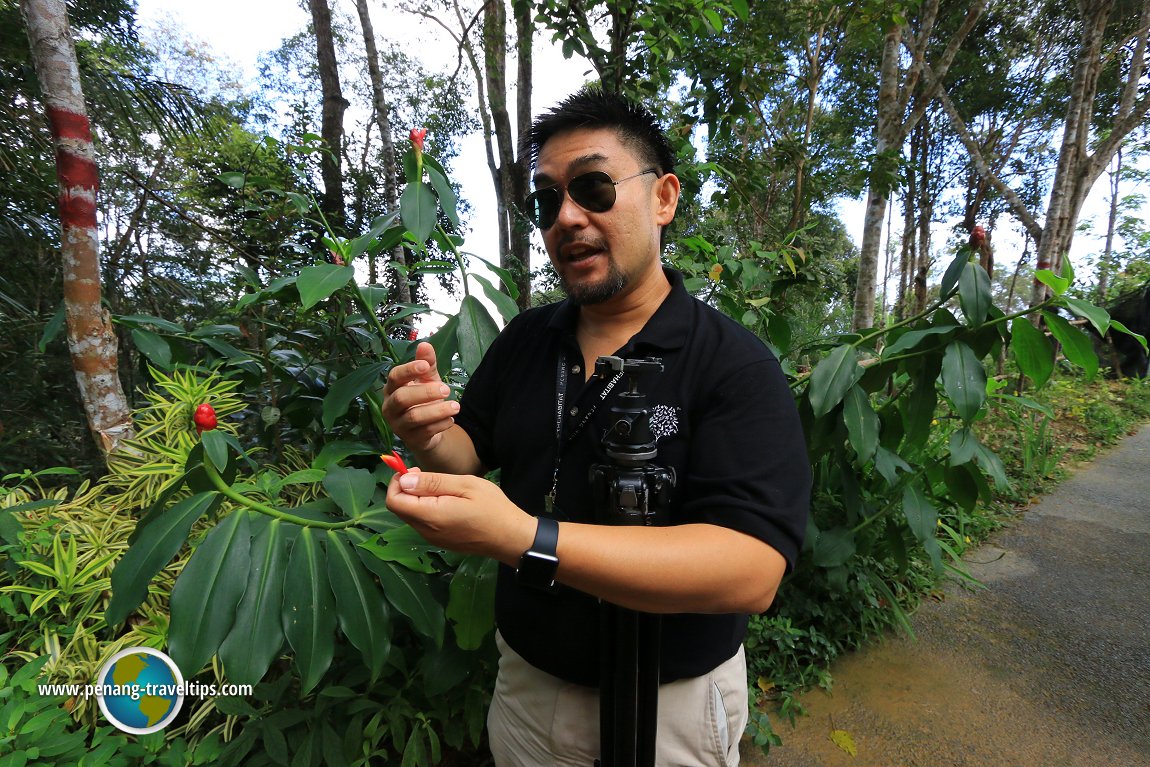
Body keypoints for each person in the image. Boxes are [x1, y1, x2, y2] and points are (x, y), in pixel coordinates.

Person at [382, 88, 810, 766]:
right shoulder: (526, 338)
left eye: (593, 187)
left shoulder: (732, 362)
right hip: (528, 687)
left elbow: (751, 568)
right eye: (547, 201)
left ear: (664, 198)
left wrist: (528, 539)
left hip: (675, 709)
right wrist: (426, 433)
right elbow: (470, 454)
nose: (567, 218)